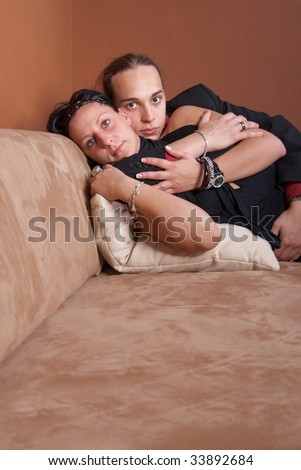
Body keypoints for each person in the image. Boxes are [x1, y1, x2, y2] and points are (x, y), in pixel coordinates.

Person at [97, 53, 301, 261]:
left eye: (156, 99)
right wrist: (203, 141)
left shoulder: (197, 108)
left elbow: (279, 134)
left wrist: (298, 203)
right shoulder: (117, 159)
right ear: (113, 111)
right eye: (132, 105)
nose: (150, 116)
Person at [47, 89, 286, 252]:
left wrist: (202, 169)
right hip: (282, 236)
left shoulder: (186, 121)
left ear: (124, 117)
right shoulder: (130, 184)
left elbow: (273, 144)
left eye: (106, 123)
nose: (106, 140)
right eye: (90, 142)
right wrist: (123, 185)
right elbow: (204, 234)